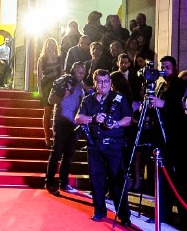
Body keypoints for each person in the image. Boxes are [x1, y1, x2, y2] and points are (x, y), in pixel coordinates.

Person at [74, 69, 134, 222]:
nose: (103, 84)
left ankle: (124, 215)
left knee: (118, 181)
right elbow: (78, 118)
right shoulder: (88, 100)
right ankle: (99, 211)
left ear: (110, 82)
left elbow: (128, 119)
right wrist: (93, 118)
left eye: (106, 81)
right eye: (100, 82)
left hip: (114, 146)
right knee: (96, 180)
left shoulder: (119, 98)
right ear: (94, 83)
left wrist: (116, 124)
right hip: (94, 146)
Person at [46, 61, 89, 195]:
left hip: (73, 123)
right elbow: (50, 100)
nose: (81, 75)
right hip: (62, 121)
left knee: (68, 155)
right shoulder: (63, 81)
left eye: (83, 73)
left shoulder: (80, 85)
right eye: (79, 72)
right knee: (57, 153)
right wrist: (62, 94)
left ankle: (63, 183)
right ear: (73, 70)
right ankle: (49, 183)